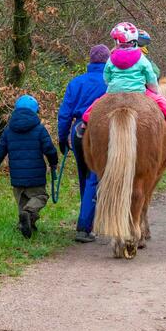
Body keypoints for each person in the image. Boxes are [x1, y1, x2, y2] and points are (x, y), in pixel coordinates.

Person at [76, 22, 166, 141]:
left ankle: (84, 124)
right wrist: (154, 90)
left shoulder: (111, 58)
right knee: (162, 101)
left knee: (97, 103)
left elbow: (106, 76)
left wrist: (112, 85)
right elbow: (150, 76)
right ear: (134, 40)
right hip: (138, 91)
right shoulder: (141, 58)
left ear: (117, 42)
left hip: (114, 92)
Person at [56, 45, 109, 243]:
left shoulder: (76, 82)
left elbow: (64, 114)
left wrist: (62, 139)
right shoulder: (110, 83)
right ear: (107, 62)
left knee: (85, 177)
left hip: (78, 131)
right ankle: (85, 226)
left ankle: (88, 222)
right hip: (102, 131)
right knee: (95, 178)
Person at [0, 95, 59, 239]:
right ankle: (29, 215)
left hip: (17, 178)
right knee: (40, 197)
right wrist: (53, 163)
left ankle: (26, 224)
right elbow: (49, 149)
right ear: (35, 111)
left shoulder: (9, 130)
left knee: (22, 202)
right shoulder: (39, 129)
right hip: (35, 177)